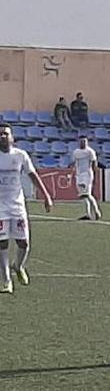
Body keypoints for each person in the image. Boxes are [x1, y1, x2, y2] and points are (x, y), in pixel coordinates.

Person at [0, 123, 54, 293]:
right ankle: (7, 280)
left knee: (23, 242)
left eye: (5, 133)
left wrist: (46, 196)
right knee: (2, 242)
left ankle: (18, 266)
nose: (2, 136)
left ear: (12, 137)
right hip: (0, 206)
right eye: (0, 134)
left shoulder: (20, 155)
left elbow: (33, 176)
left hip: (17, 205)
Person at [71, 136, 101, 221]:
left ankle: (97, 211)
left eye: (85, 141)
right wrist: (71, 173)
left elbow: (94, 163)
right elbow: (74, 163)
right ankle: (88, 214)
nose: (83, 143)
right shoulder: (76, 152)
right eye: (81, 141)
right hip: (79, 175)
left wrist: (95, 174)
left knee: (87, 194)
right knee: (84, 196)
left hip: (87, 174)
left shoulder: (90, 151)